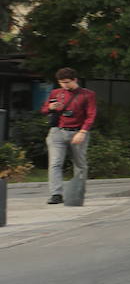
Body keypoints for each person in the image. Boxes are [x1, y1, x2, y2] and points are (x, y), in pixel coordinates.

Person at [41, 67, 97, 205]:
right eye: (61, 82)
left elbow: (91, 115)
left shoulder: (87, 95)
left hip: (78, 132)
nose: (64, 85)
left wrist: (83, 132)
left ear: (75, 80)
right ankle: (56, 194)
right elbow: (43, 109)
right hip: (57, 132)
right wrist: (50, 108)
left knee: (80, 164)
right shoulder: (55, 93)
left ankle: (78, 192)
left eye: (66, 82)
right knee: (55, 163)